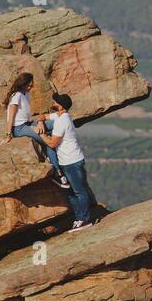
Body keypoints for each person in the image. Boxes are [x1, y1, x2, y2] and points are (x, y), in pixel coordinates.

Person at [1, 73, 70, 190]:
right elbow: (11, 116)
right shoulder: (16, 95)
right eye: (29, 85)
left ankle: (53, 155)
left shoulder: (25, 93)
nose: (30, 87)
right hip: (18, 128)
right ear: (22, 84)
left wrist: (40, 122)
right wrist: (8, 134)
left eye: (31, 85)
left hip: (28, 123)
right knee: (48, 141)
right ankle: (58, 173)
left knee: (56, 122)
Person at [39, 92, 95, 230]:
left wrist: (41, 135)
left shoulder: (62, 121)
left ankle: (85, 219)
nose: (53, 103)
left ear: (61, 106)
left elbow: (52, 143)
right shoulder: (60, 116)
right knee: (70, 193)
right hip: (67, 162)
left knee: (79, 191)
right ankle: (79, 218)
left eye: (56, 102)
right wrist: (41, 121)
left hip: (72, 162)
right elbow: (44, 116)